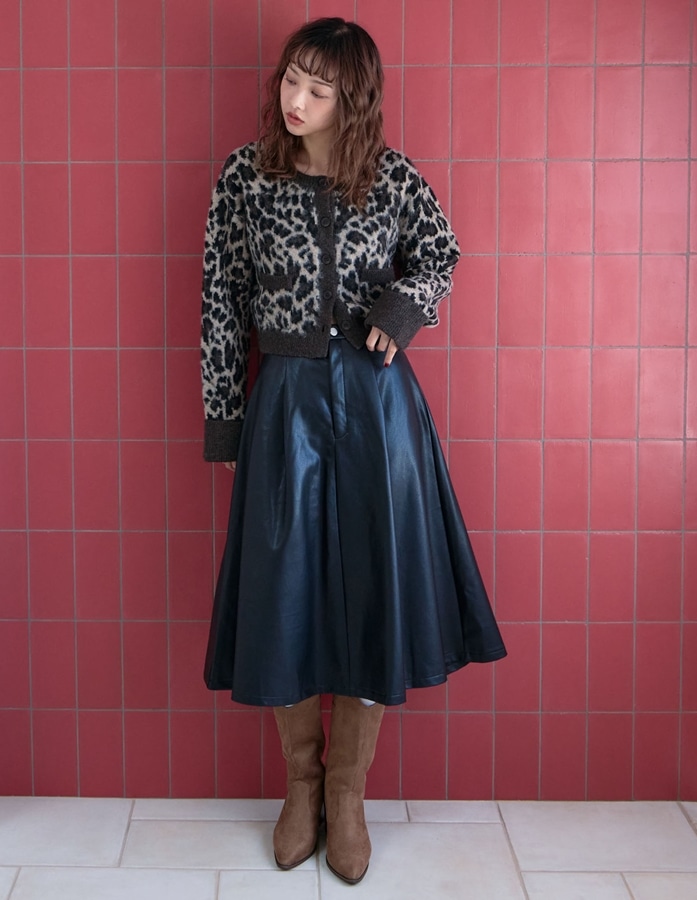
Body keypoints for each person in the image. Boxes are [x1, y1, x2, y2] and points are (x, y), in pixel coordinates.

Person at [200, 17, 506, 885]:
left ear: (353, 98)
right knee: (284, 595)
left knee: (375, 589)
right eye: (290, 79)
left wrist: (402, 312)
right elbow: (220, 297)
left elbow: (441, 252)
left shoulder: (392, 176)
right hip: (285, 407)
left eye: (318, 88)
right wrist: (225, 419)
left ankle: (348, 792)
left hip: (379, 410)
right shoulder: (245, 178)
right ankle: (301, 787)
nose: (295, 100)